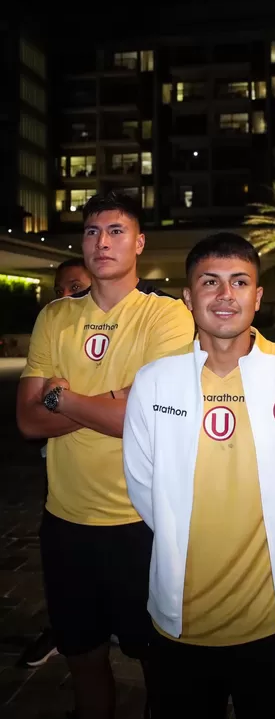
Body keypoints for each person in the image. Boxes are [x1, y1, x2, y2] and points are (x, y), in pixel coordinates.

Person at [123, 233, 275, 719]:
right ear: (188, 296)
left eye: (239, 282)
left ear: (258, 297)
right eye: (210, 282)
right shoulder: (155, 381)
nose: (225, 296)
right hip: (182, 624)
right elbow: (144, 488)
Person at [16, 192, 194, 719]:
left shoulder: (167, 317)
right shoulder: (55, 316)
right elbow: (28, 420)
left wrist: (64, 398)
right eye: (92, 232)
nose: (102, 242)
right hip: (65, 521)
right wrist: (116, 400)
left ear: (139, 242)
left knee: (159, 661)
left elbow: (150, 419)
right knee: (82, 655)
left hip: (141, 521)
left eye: (116, 231)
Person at [17, 258, 93, 670]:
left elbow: (131, 413)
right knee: (66, 579)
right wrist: (99, 403)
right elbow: (30, 419)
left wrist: (61, 397)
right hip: (60, 478)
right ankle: (61, 632)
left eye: (76, 288)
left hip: (119, 497)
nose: (66, 297)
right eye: (60, 289)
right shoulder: (54, 328)